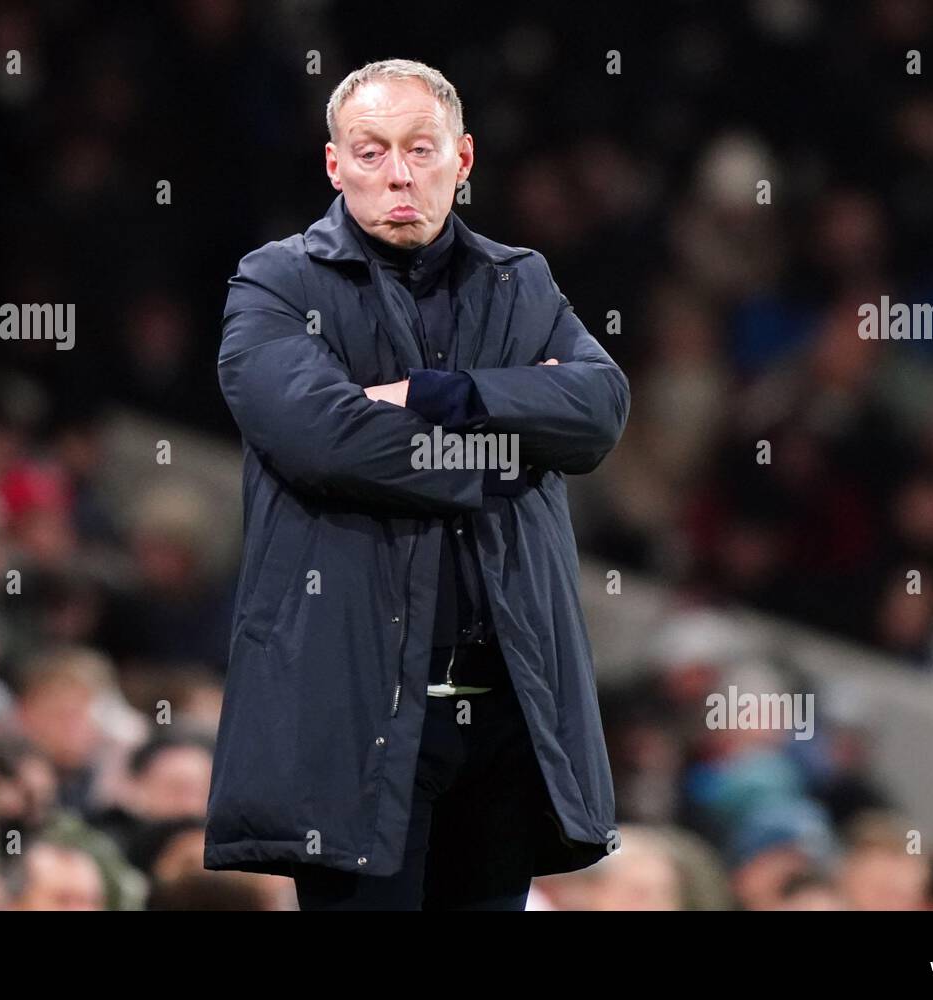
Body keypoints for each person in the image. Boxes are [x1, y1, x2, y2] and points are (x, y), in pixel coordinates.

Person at [205, 58, 630, 910]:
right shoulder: (275, 282)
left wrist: (446, 395)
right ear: (335, 165)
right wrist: (509, 446)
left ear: (463, 159)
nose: (397, 173)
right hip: (355, 713)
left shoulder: (523, 279)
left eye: (420, 149)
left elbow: (598, 410)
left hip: (510, 712)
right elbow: (328, 440)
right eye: (370, 151)